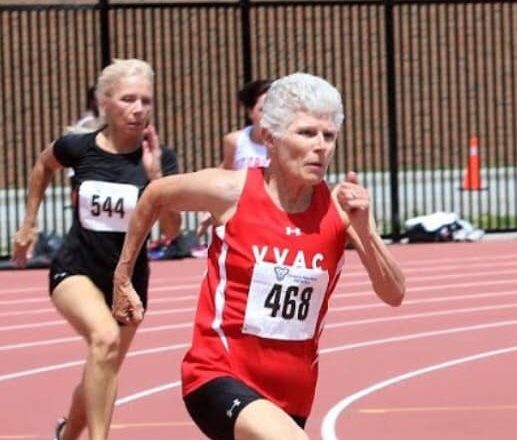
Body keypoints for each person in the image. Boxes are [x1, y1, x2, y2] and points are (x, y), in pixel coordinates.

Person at [112, 72, 405, 440]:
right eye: (306, 133)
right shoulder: (231, 192)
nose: (321, 146)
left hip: (292, 397)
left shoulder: (342, 208)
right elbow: (155, 194)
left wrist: (366, 231)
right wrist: (122, 277)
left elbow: (394, 293)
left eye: (328, 136)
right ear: (270, 137)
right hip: (218, 375)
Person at [11, 58, 181, 440]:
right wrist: (29, 222)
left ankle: (67, 435)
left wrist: (156, 179)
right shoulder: (79, 147)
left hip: (128, 282)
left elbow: (171, 231)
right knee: (104, 340)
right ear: (105, 102)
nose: (138, 109)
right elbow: (43, 165)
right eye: (128, 99)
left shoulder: (160, 159)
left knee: (103, 364)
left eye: (146, 100)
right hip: (77, 269)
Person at [196, 79, 273, 242]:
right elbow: (225, 171)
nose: (269, 116)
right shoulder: (236, 141)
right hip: (241, 217)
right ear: (251, 112)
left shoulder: (284, 143)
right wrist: (209, 207)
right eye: (262, 110)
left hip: (272, 216)